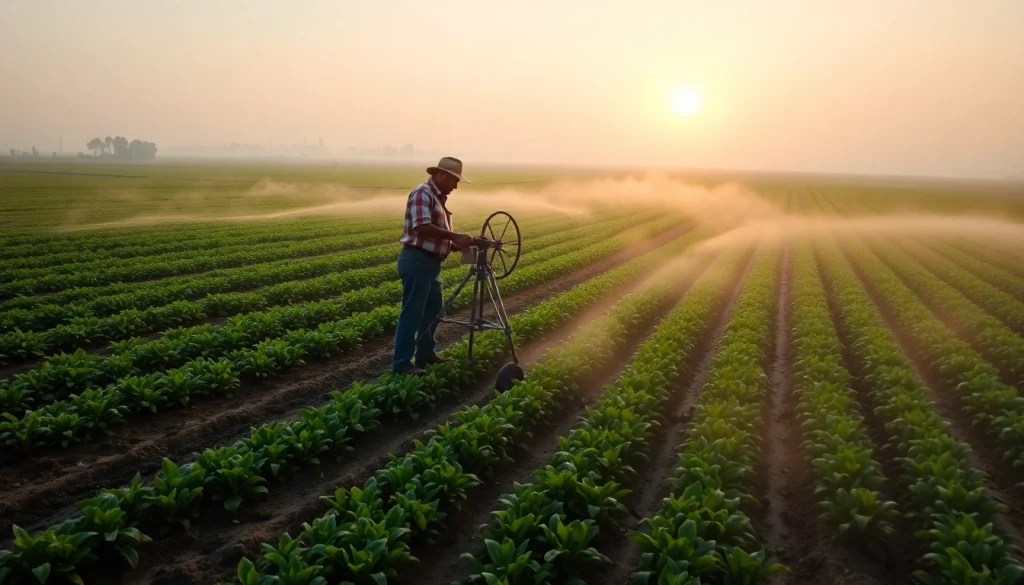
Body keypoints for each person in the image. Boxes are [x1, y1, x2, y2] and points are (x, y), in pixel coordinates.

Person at [391, 157, 475, 375]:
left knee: (433, 310)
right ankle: (401, 364)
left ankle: (425, 355)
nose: (455, 186)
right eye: (454, 180)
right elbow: (421, 227)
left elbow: (435, 233)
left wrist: (454, 244)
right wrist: (454, 235)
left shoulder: (438, 198)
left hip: (430, 263)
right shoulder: (423, 193)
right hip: (417, 260)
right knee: (412, 313)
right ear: (440, 175)